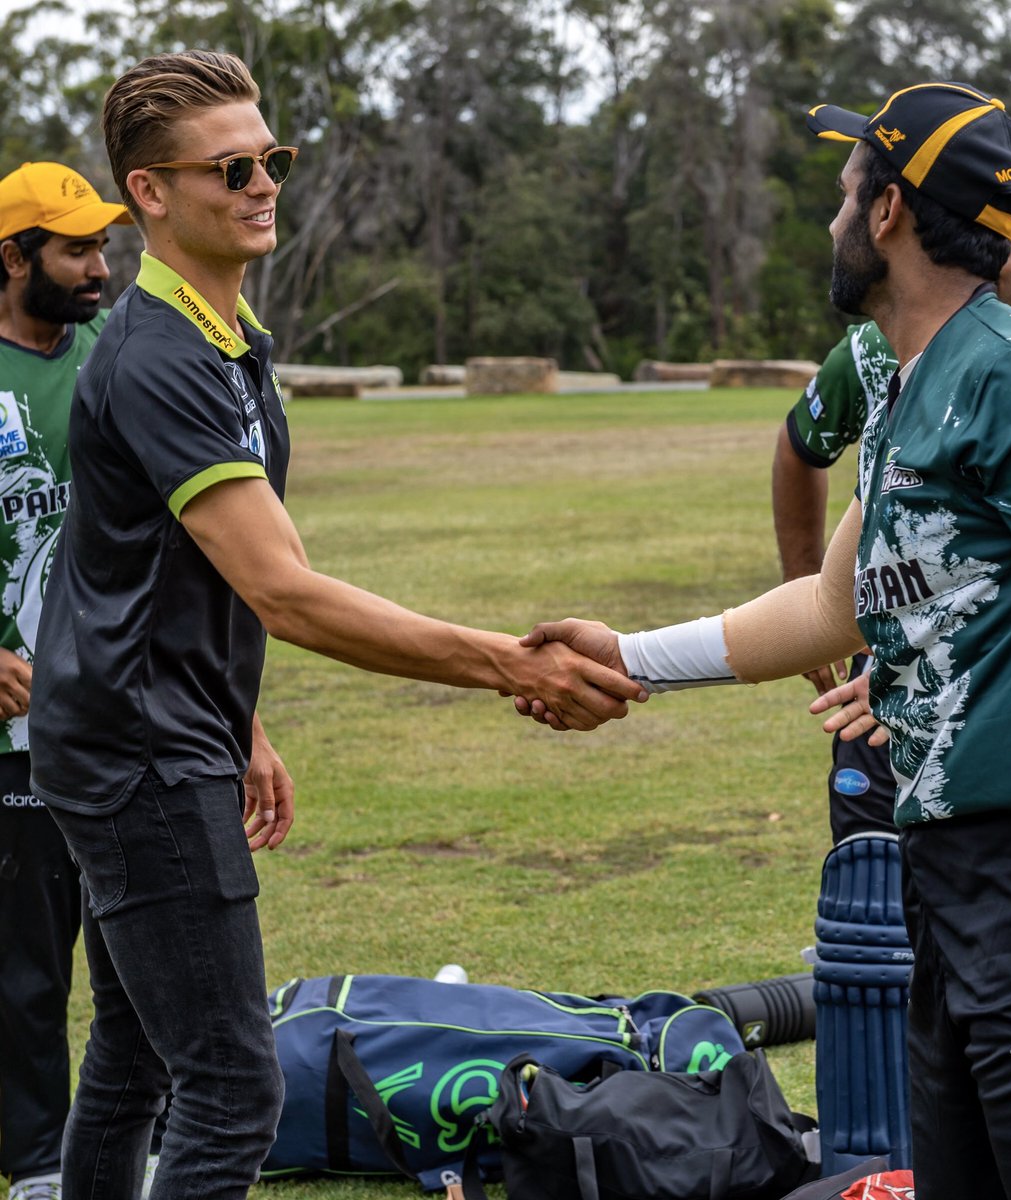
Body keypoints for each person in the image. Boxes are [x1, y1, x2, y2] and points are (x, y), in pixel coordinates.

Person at [519, 82, 1011, 1198]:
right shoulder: (910, 386)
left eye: (846, 192)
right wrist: (626, 655)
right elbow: (831, 607)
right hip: (954, 886)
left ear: (889, 212)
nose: (835, 219)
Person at [25, 51, 645, 1200]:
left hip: (147, 728)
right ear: (150, 193)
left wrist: (240, 721)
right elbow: (286, 592)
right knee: (227, 1087)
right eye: (231, 167)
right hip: (139, 756)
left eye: (273, 159)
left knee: (131, 1055)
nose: (263, 184)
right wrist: (507, 660)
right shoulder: (160, 356)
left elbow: (175, 576)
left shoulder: (225, 339)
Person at [772, 181, 1011, 842]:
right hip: (899, 653)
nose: (988, 257)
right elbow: (801, 450)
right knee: (870, 883)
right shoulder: (875, 347)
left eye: (1006, 244)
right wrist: (802, 584)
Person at [0, 162, 132, 1200]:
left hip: (122, 717)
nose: (100, 266)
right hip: (14, 740)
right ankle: (42, 1167)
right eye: (75, 248)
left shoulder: (112, 357)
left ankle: (143, 1147)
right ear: (13, 260)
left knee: (140, 959)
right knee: (27, 972)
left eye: (102, 245)